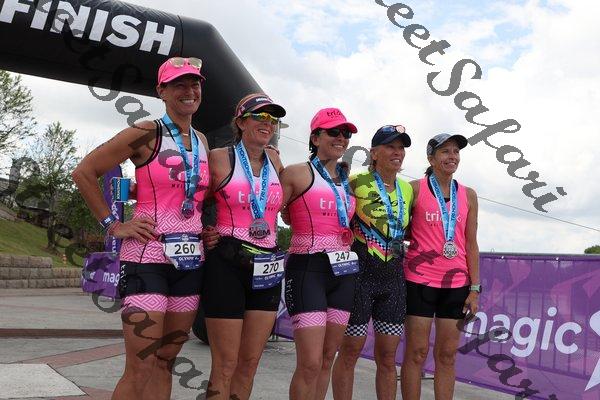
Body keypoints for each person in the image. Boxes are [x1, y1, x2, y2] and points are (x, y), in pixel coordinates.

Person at [72, 57, 215, 400]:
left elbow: (196, 195)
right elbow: (84, 172)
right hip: (146, 258)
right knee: (142, 364)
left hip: (189, 262)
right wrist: (113, 225)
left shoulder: (202, 140)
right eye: (179, 84)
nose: (189, 90)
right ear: (161, 91)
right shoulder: (146, 132)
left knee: (166, 360)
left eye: (194, 83)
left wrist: (207, 229)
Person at [201, 93, 286, 400]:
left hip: (267, 265)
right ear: (240, 122)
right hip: (227, 260)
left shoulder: (275, 159)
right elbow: (194, 200)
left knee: (249, 364)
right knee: (225, 364)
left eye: (272, 119)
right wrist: (202, 231)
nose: (268, 124)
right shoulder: (218, 157)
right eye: (259, 117)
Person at [280, 107, 358, 400]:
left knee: (327, 358)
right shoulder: (297, 172)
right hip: (307, 268)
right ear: (315, 137)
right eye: (333, 132)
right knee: (310, 363)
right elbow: (266, 209)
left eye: (346, 134)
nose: (341, 138)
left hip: (343, 271)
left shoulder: (347, 179)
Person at [332, 125, 414, 400]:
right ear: (374, 153)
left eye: (401, 148)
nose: (397, 152)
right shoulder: (355, 181)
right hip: (360, 277)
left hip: (393, 280)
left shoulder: (407, 189)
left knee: (388, 357)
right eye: (390, 147)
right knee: (350, 351)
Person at [400, 133, 480, 400]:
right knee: (417, 353)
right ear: (431, 159)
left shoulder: (468, 195)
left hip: (456, 285)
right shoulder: (414, 189)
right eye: (445, 151)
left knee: (446, 355)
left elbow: (471, 243)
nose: (452, 156)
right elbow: (400, 228)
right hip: (419, 281)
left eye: (456, 151)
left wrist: (475, 289)